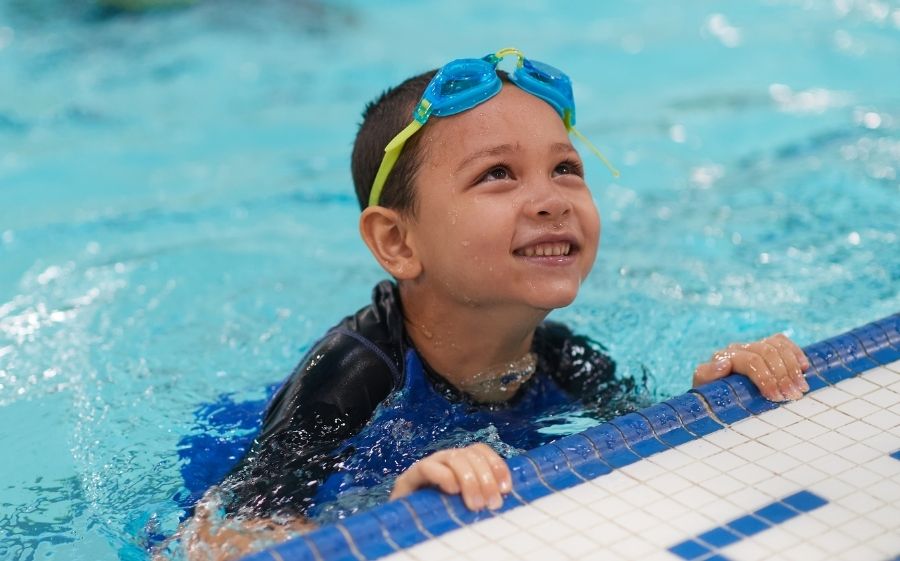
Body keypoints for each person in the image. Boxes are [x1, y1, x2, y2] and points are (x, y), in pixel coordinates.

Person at [166, 47, 810, 560]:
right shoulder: (349, 378)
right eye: (497, 174)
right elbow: (220, 542)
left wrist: (709, 400)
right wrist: (394, 514)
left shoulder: (564, 359)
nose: (551, 199)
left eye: (565, 168)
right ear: (396, 241)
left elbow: (634, 449)